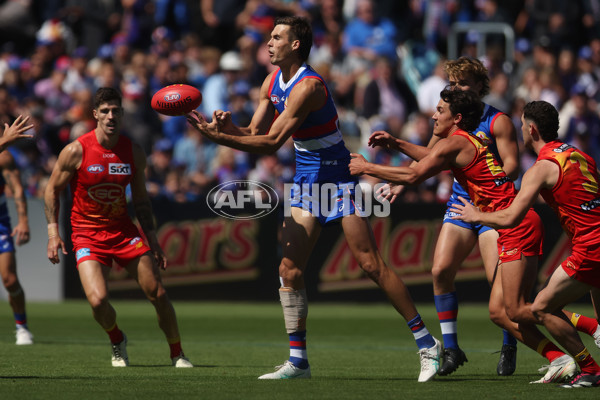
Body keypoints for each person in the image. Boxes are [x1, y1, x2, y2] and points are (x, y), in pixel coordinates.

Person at [186, 16, 442, 382]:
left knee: (370, 265)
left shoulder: (308, 86)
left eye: (276, 37)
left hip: (337, 178)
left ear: (295, 45)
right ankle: (298, 361)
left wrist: (221, 140)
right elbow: (255, 132)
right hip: (307, 182)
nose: (269, 42)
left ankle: (426, 343)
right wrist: (227, 128)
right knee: (288, 270)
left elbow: (272, 143)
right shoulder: (271, 81)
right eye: (270, 37)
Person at [349, 89, 580, 384]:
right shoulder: (467, 141)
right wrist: (395, 143)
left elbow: (413, 176)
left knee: (519, 309)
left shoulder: (457, 142)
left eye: (440, 110)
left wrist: (366, 167)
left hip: (514, 225)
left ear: (456, 118)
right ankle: (558, 358)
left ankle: (583, 339)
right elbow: (432, 158)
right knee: (504, 312)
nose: (433, 115)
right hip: (515, 223)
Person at [382, 57, 521, 376]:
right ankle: (452, 349)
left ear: (480, 86)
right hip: (460, 203)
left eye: (465, 83)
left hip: (490, 206)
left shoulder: (498, 121)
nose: (458, 88)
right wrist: (404, 183)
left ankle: (509, 343)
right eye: (454, 83)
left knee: (496, 282)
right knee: (441, 270)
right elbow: (430, 159)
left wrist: (487, 177)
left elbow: (513, 165)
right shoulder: (449, 121)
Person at [450, 100, 600, 388]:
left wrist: (476, 214)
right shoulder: (579, 154)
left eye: (521, 126)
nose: (520, 131)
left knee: (542, 307)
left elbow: (511, 217)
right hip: (593, 240)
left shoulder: (541, 168)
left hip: (590, 245)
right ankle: (591, 343)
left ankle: (589, 367)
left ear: (531, 129)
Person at [44, 87, 193, 368]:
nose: (111, 116)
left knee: (158, 293)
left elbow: (141, 200)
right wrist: (53, 233)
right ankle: (117, 338)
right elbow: (51, 190)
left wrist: (153, 240)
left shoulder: (133, 152)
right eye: (105, 111)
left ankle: (177, 353)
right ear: (95, 115)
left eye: (116, 111)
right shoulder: (76, 150)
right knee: (99, 301)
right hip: (86, 234)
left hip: (124, 232)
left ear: (122, 114)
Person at [0, 115, 35, 345]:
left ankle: (21, 326)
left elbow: (18, 189)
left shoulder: (4, 157)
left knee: (10, 279)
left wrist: (23, 221)